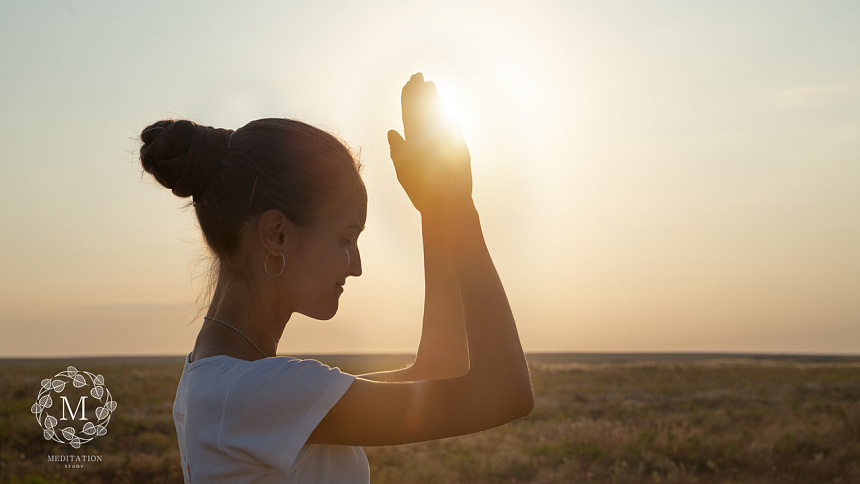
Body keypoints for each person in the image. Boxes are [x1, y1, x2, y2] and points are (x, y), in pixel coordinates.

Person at [139, 73, 533, 483]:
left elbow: (440, 367)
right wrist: (458, 210)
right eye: (345, 238)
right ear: (277, 235)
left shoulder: (223, 384)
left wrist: (434, 212)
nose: (356, 265)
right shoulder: (253, 394)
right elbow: (504, 392)